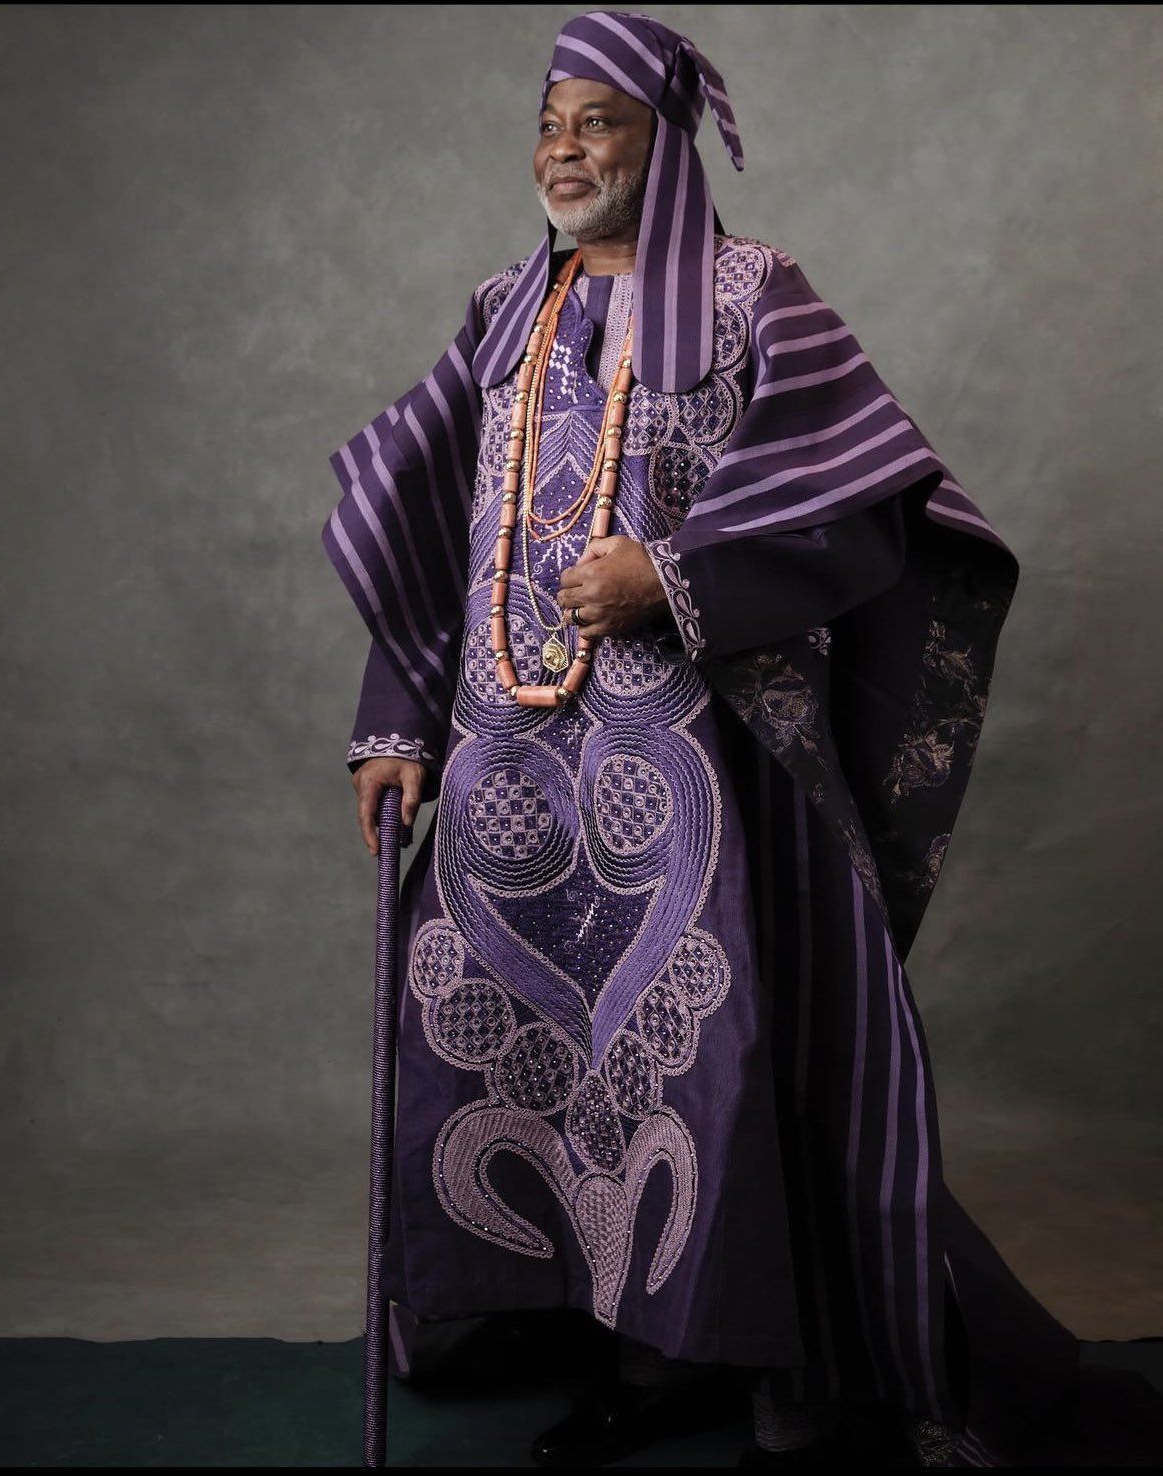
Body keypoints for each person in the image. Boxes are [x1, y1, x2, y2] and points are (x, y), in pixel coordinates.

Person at [321, 10, 1163, 1467]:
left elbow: (863, 505)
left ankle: (712, 1361)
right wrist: (391, 719)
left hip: (689, 777)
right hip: (508, 766)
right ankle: (576, 1329)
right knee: (511, 1059)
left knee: (688, 1065)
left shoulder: (754, 295)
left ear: (667, 137)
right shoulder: (497, 311)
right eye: (549, 122)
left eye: (601, 122)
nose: (565, 149)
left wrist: (676, 578)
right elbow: (422, 530)